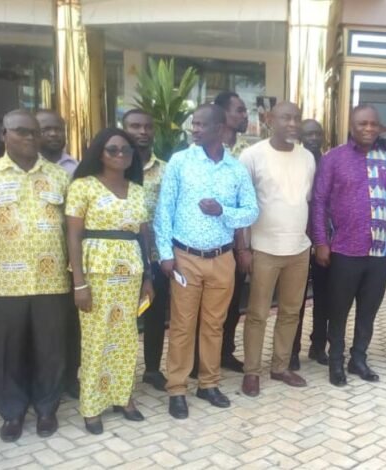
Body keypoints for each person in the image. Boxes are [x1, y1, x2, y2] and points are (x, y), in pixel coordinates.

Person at [155, 104, 258, 419]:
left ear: (219, 128)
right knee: (183, 326)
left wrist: (222, 212)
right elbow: (164, 210)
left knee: (214, 325)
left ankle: (208, 384)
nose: (194, 129)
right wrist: (165, 254)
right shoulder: (180, 162)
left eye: (201, 124)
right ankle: (177, 388)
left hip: (222, 258)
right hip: (186, 257)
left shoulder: (235, 169)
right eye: (193, 124)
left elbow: (252, 211)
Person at [0, 110, 70, 441]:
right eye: (22, 132)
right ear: (4, 134)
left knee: (50, 350)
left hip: (53, 282)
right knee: (7, 352)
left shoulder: (60, 177)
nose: (32, 137)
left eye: (35, 132)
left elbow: (71, 233)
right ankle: (12, 413)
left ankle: (47, 408)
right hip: (5, 284)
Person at [66, 128, 154, 434]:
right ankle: (91, 405)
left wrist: (148, 276)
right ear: (99, 153)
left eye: (126, 150)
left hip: (130, 273)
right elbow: (74, 235)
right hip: (97, 272)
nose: (120, 155)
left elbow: (143, 236)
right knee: (96, 339)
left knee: (127, 337)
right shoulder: (83, 186)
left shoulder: (138, 189)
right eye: (113, 150)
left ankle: (122, 397)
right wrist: (79, 282)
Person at [311, 105, 386, 387]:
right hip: (344, 250)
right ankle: (335, 360)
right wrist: (321, 241)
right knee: (338, 310)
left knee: (368, 310)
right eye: (363, 123)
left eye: (374, 124)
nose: (369, 129)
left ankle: (358, 358)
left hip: (378, 251)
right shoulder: (333, 159)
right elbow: (319, 202)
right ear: (352, 126)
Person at [237, 102, 315, 397]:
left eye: (297, 118)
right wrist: (242, 248)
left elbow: (306, 200)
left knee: (291, 312)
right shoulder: (252, 156)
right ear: (270, 120)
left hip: (298, 249)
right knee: (257, 313)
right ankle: (251, 371)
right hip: (263, 248)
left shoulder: (307, 157)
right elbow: (241, 205)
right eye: (286, 117)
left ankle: (280, 367)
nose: (293, 123)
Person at [122, 109, 169, 391]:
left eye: (147, 127)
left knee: (155, 315)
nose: (142, 132)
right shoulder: (112, 167)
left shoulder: (165, 169)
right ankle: (118, 373)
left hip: (155, 257)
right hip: (120, 258)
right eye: (135, 126)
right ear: (123, 128)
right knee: (121, 317)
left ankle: (152, 369)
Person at [211, 91, 251, 374]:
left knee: (233, 303)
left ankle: (225, 353)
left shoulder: (247, 152)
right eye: (238, 110)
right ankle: (201, 359)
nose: (243, 115)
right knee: (206, 306)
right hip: (206, 243)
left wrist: (244, 247)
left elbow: (248, 204)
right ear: (222, 114)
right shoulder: (199, 151)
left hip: (238, 244)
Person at [291, 119, 329, 370]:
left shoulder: (330, 162)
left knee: (325, 298)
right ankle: (291, 351)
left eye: (317, 134)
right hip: (298, 240)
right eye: (308, 134)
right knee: (295, 300)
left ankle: (318, 346)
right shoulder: (294, 162)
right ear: (300, 137)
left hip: (325, 240)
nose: (313, 138)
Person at [36, 111, 78, 175]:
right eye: (46, 129)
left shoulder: (75, 167)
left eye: (58, 129)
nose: (53, 134)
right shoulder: (26, 166)